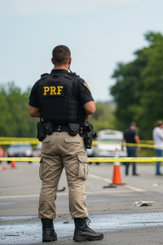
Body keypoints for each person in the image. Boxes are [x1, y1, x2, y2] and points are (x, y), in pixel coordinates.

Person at [28, 45, 103, 242]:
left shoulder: (40, 83)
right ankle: (80, 229)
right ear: (70, 61)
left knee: (48, 185)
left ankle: (47, 230)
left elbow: (32, 112)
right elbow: (91, 108)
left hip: (49, 139)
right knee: (76, 184)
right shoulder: (76, 82)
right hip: (71, 139)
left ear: (52, 61)